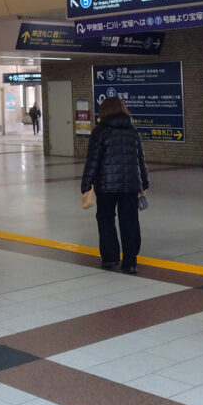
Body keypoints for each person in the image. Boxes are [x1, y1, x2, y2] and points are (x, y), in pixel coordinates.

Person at [80, 97, 149, 274]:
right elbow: (141, 159)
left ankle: (110, 258)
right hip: (130, 187)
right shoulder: (132, 131)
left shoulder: (100, 132)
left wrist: (86, 183)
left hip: (106, 186)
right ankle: (130, 262)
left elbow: (93, 160)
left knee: (106, 219)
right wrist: (144, 183)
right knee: (130, 222)